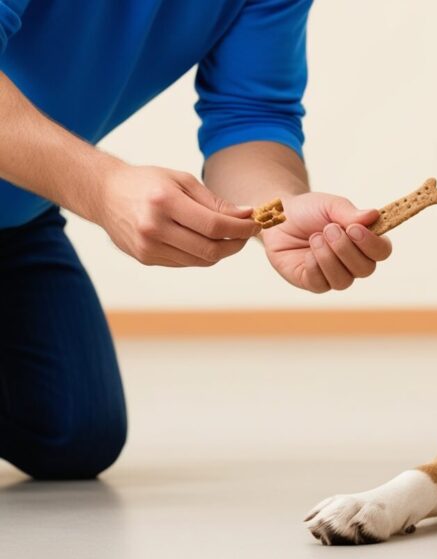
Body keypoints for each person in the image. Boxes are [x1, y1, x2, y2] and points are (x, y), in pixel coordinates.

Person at [0, 0, 391, 479]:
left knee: (73, 435)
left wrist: (280, 208)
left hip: (17, 222)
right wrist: (100, 187)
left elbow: (250, 117)